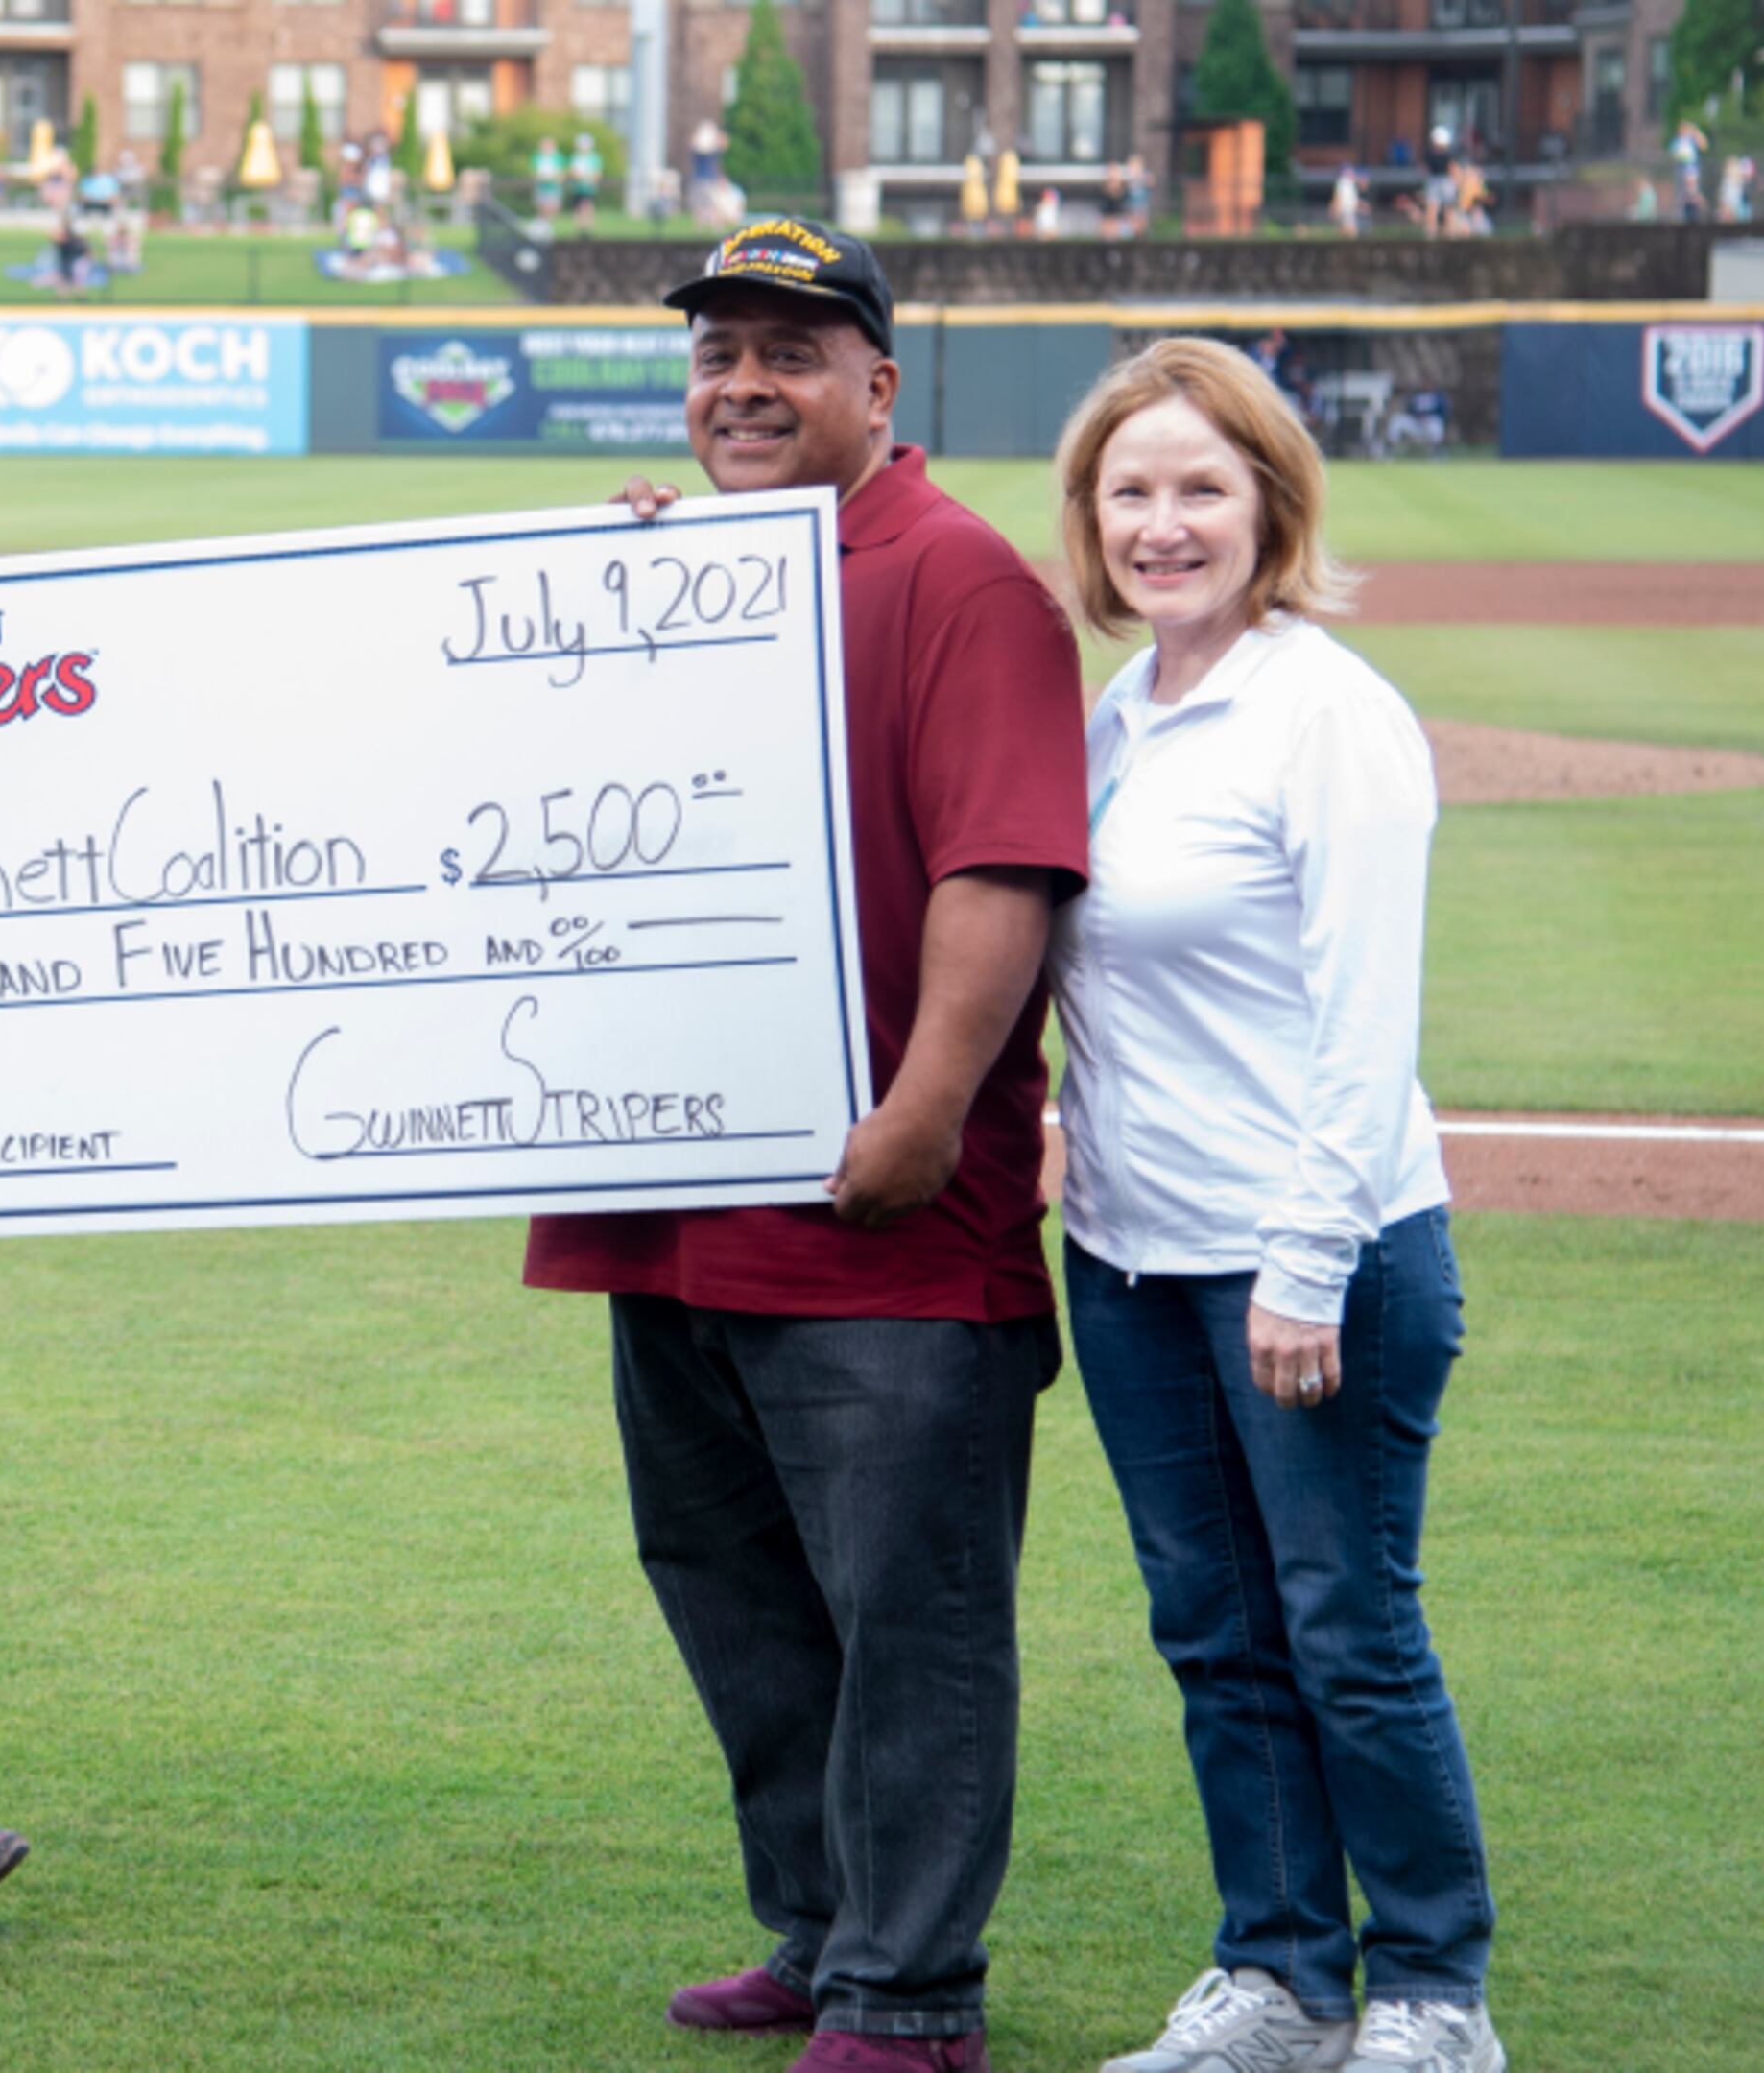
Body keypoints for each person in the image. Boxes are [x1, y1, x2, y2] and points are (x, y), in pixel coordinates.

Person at [528, 216, 1089, 2073]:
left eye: (790, 352)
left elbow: (999, 863)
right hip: (674, 1209)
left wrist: (930, 1107)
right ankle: (825, 1932)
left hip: (888, 1228)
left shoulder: (957, 576)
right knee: (736, 1593)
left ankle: (913, 1998)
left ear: (877, 386)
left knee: (906, 1619)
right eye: (718, 356)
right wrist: (605, 616)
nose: (744, 386)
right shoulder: (688, 573)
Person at [1045, 338, 1501, 2073]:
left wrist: (1305, 1266)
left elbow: (1365, 1022)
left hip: (1319, 1259)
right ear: (1091, 519)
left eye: (1201, 488)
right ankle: (1285, 1978)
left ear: (1269, 505)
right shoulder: (1118, 718)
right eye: (1131, 491)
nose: (1164, 525)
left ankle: (1435, 1994)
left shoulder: (1329, 715)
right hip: (1134, 1261)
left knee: (1348, 1630)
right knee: (1217, 1636)